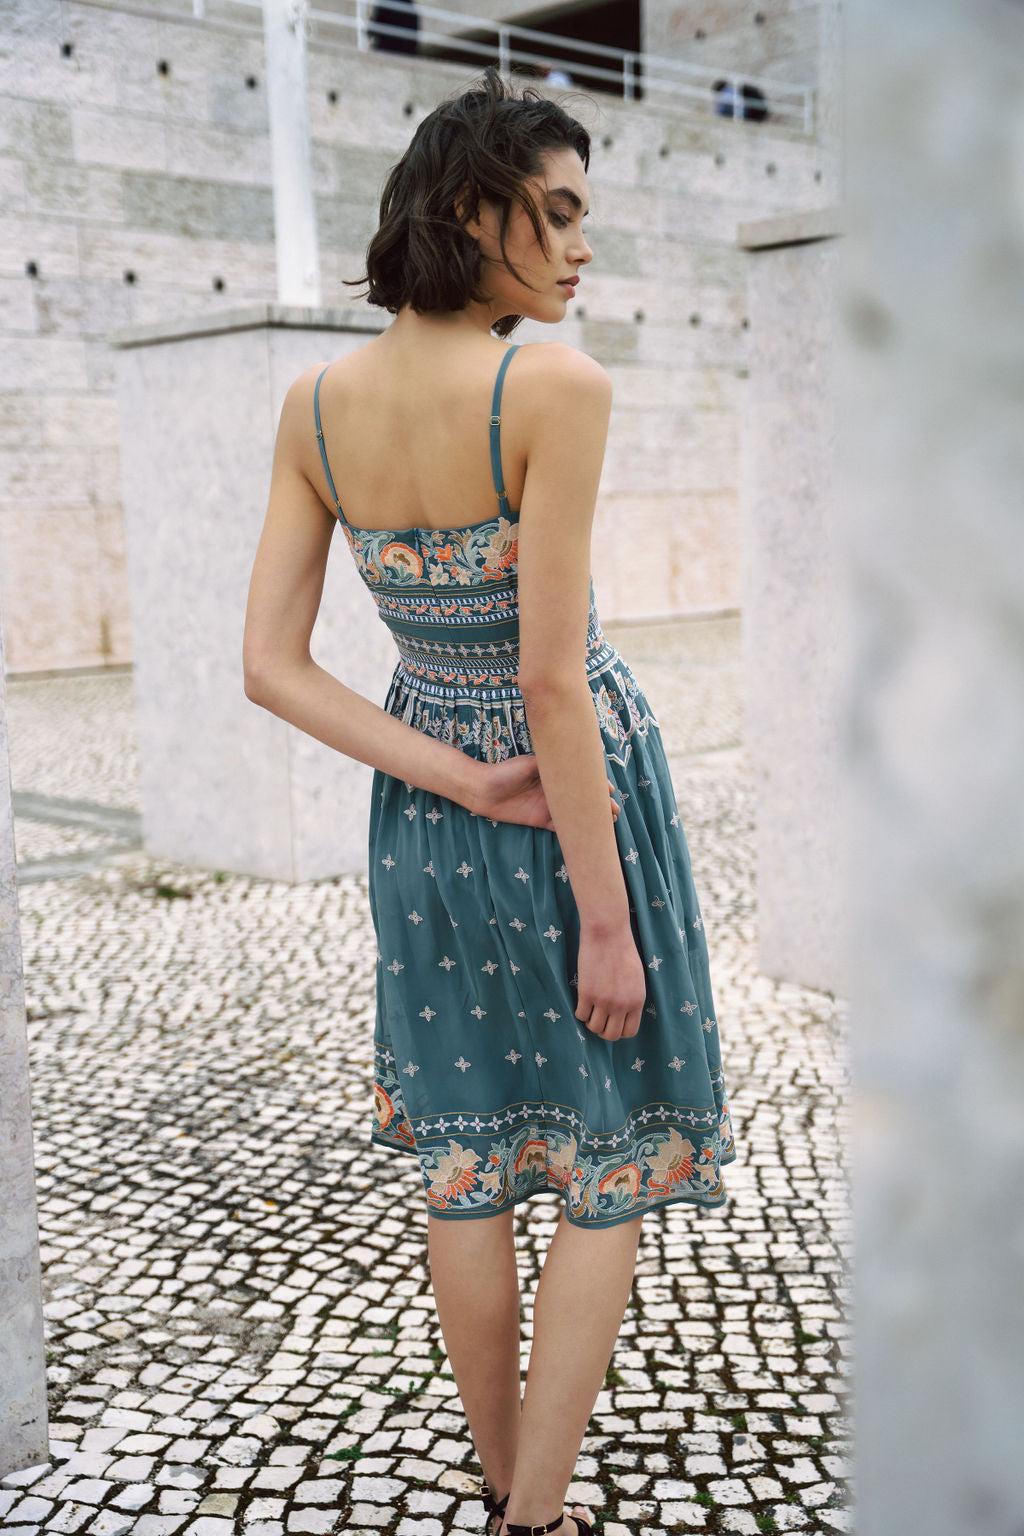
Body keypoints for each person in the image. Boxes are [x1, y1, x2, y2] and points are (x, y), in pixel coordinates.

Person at [242, 64, 736, 1536]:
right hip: (570, 803)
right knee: (607, 1154)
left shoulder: (317, 405)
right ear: (474, 207)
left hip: (426, 807)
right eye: (563, 211)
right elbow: (555, 684)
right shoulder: (552, 386)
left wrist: (450, 779)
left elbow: (270, 668)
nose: (585, 246)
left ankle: (505, 1475)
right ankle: (536, 1517)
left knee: (469, 1160)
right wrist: (605, 914)